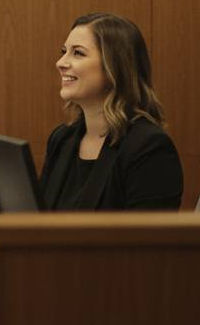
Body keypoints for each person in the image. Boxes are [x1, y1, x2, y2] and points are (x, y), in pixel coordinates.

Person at [37, 12, 183, 211]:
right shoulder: (61, 139)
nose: (61, 62)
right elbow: (37, 221)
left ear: (114, 67)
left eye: (78, 53)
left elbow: (147, 240)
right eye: (64, 51)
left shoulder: (149, 148)